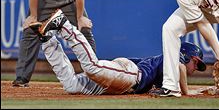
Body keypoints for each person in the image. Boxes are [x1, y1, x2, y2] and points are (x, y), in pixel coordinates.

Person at [28, 9, 206, 95]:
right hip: (131, 76)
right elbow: (181, 67)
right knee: (92, 67)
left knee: (72, 86)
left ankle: (47, 40)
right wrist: (187, 92)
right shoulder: (175, 56)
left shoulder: (167, 71)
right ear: (186, 55)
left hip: (120, 82)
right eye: (196, 63)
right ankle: (65, 26)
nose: (195, 68)